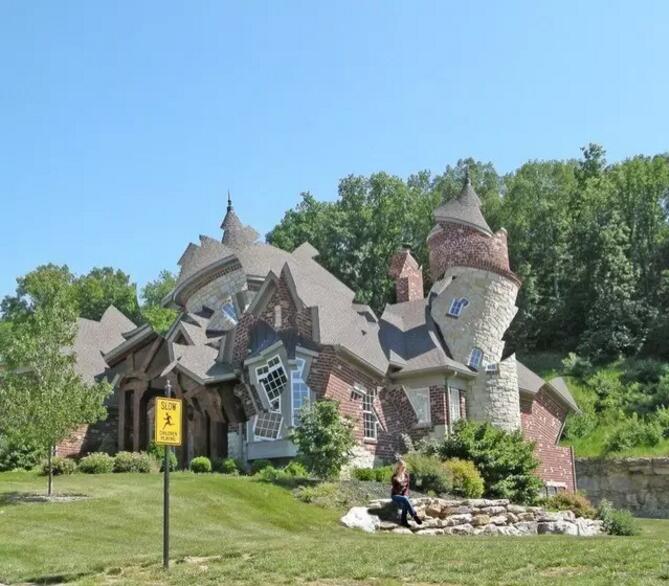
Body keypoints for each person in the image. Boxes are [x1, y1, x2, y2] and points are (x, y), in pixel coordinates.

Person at [390, 459, 422, 527]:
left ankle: (404, 521)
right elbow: (396, 489)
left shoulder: (406, 476)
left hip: (404, 496)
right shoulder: (394, 477)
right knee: (405, 499)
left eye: (404, 467)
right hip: (395, 495)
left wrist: (405, 495)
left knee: (405, 500)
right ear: (398, 468)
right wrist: (399, 481)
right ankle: (414, 515)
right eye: (402, 467)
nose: (404, 469)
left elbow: (407, 488)